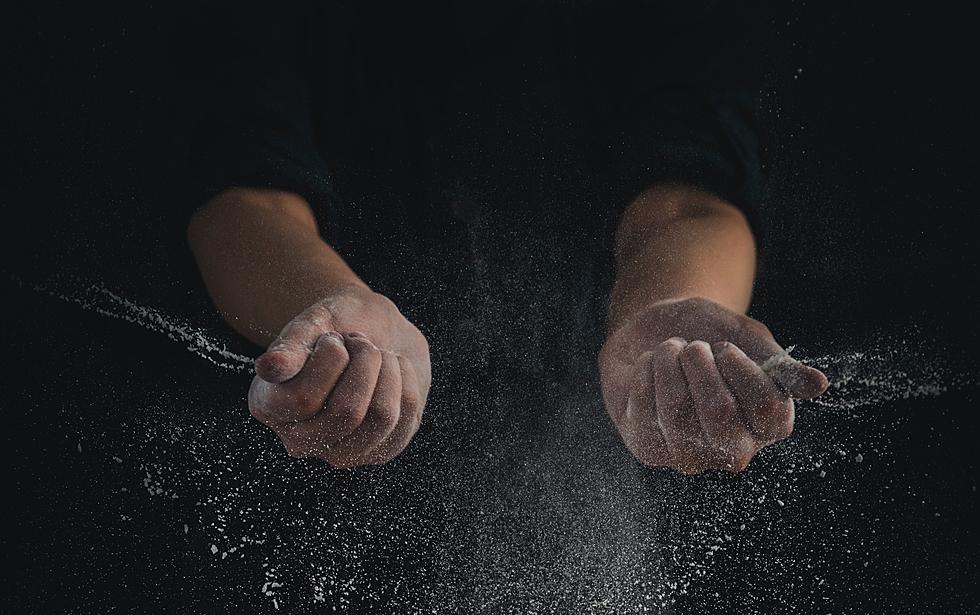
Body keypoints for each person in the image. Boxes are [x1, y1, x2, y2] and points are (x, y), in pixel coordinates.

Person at [179, 2, 828, 477]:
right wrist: (330, 309)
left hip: (601, 458)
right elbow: (244, 191)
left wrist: (667, 316)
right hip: (303, 466)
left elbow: (692, 195)